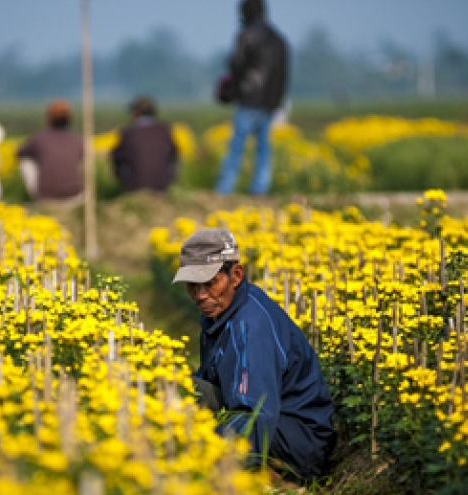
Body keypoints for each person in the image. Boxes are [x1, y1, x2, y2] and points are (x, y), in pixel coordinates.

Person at [172, 227, 334, 483]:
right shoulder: (221, 312)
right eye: (193, 285)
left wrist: (209, 460)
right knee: (179, 390)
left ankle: (274, 481)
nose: (200, 295)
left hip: (296, 445)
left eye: (210, 282)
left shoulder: (250, 326)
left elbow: (254, 414)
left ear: (235, 276)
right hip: (275, 422)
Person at [215, 0, 289, 196]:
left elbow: (235, 63)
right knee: (263, 149)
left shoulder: (248, 35)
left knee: (236, 146)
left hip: (249, 97)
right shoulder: (278, 38)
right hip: (270, 100)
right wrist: (277, 100)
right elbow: (283, 73)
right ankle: (260, 188)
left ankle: (225, 188)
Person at [16, 99, 84, 205]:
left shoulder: (39, 138)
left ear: (49, 118)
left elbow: (19, 153)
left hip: (46, 195)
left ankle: (38, 199)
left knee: (25, 161)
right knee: (81, 159)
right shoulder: (78, 139)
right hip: (74, 194)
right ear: (70, 119)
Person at [110, 95, 178, 193]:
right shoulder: (165, 131)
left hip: (136, 187)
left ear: (136, 113)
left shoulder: (128, 134)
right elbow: (174, 156)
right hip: (163, 188)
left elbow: (117, 158)